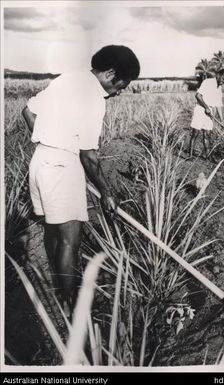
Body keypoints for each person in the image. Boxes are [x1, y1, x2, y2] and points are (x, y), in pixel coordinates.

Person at [22, 45, 140, 317]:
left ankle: (60, 292)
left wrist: (50, 139)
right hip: (62, 165)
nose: (119, 91)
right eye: (121, 85)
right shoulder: (94, 97)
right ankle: (72, 308)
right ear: (110, 73)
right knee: (70, 242)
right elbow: (89, 156)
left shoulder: (67, 78)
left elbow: (27, 113)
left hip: (40, 161)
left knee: (53, 232)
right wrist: (107, 192)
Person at [188, 68, 224, 160]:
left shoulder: (219, 88)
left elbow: (218, 105)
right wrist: (206, 107)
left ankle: (208, 155)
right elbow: (198, 96)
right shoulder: (208, 82)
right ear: (218, 76)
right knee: (195, 133)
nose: (223, 81)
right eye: (223, 78)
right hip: (200, 109)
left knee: (207, 134)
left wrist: (222, 120)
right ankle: (190, 156)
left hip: (209, 111)